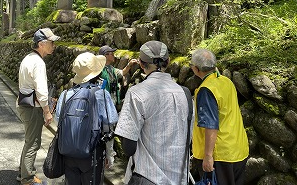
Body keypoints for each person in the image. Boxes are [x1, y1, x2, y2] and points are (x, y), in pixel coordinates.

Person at [115, 41, 193, 185]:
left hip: (147, 176)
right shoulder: (185, 94)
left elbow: (128, 148)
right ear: (168, 61)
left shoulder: (136, 93)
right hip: (179, 177)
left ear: (141, 64)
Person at [54, 52, 118, 185]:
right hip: (92, 154)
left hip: (68, 153)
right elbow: (109, 126)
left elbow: (58, 121)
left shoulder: (66, 94)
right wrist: (109, 154)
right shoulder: (101, 94)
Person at [190, 48, 249, 185]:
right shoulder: (226, 82)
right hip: (238, 149)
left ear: (197, 69)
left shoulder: (206, 90)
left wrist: (208, 156)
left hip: (220, 155)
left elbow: (211, 125)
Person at [17, 28, 60, 185]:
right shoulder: (38, 63)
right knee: (33, 143)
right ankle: (27, 178)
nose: (54, 45)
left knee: (29, 140)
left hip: (24, 104)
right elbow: (41, 91)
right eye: (51, 42)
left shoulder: (28, 58)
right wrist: (47, 112)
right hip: (33, 108)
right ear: (42, 44)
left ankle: (22, 172)